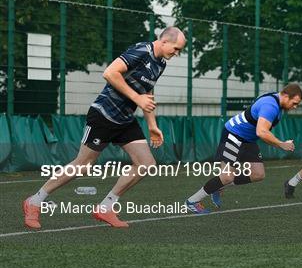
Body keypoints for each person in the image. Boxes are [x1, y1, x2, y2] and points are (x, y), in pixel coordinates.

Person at [23, 26, 186, 229]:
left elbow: (148, 93)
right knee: (83, 166)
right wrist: (137, 98)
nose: (176, 53)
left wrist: (152, 125)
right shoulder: (141, 51)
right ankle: (35, 201)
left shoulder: (160, 63)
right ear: (164, 41)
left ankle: (106, 207)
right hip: (104, 114)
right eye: (176, 48)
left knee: (145, 163)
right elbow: (110, 73)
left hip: (125, 120)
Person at [185, 83, 302, 214]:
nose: (295, 107)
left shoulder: (276, 101)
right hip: (234, 135)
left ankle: (217, 187)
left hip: (248, 139)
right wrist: (282, 144)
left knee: (258, 174)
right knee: (226, 177)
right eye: (294, 103)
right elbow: (262, 132)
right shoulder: (270, 106)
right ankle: (192, 201)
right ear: (286, 96)